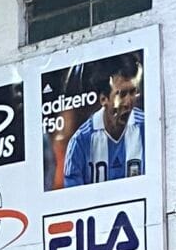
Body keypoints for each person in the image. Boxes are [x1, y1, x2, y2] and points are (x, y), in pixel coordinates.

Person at [58, 56, 146, 189]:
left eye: (133, 92)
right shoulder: (80, 141)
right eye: (122, 94)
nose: (128, 102)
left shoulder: (147, 129)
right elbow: (72, 195)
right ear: (104, 99)